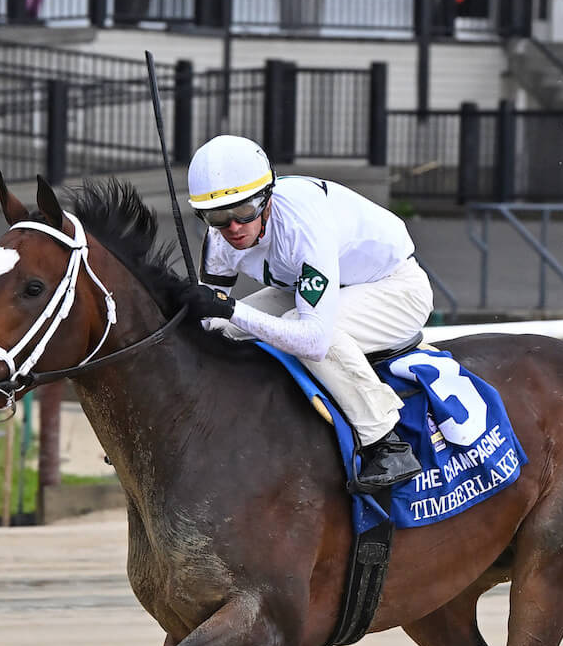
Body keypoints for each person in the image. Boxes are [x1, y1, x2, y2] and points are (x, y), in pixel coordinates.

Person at [180, 134, 431, 493]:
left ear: (266, 199)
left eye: (243, 212)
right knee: (220, 329)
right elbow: (209, 318)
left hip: (395, 289)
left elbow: (313, 340)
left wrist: (231, 308)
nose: (233, 227)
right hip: (313, 287)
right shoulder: (219, 238)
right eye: (218, 216)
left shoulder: (302, 227)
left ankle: (385, 441)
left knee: (295, 328)